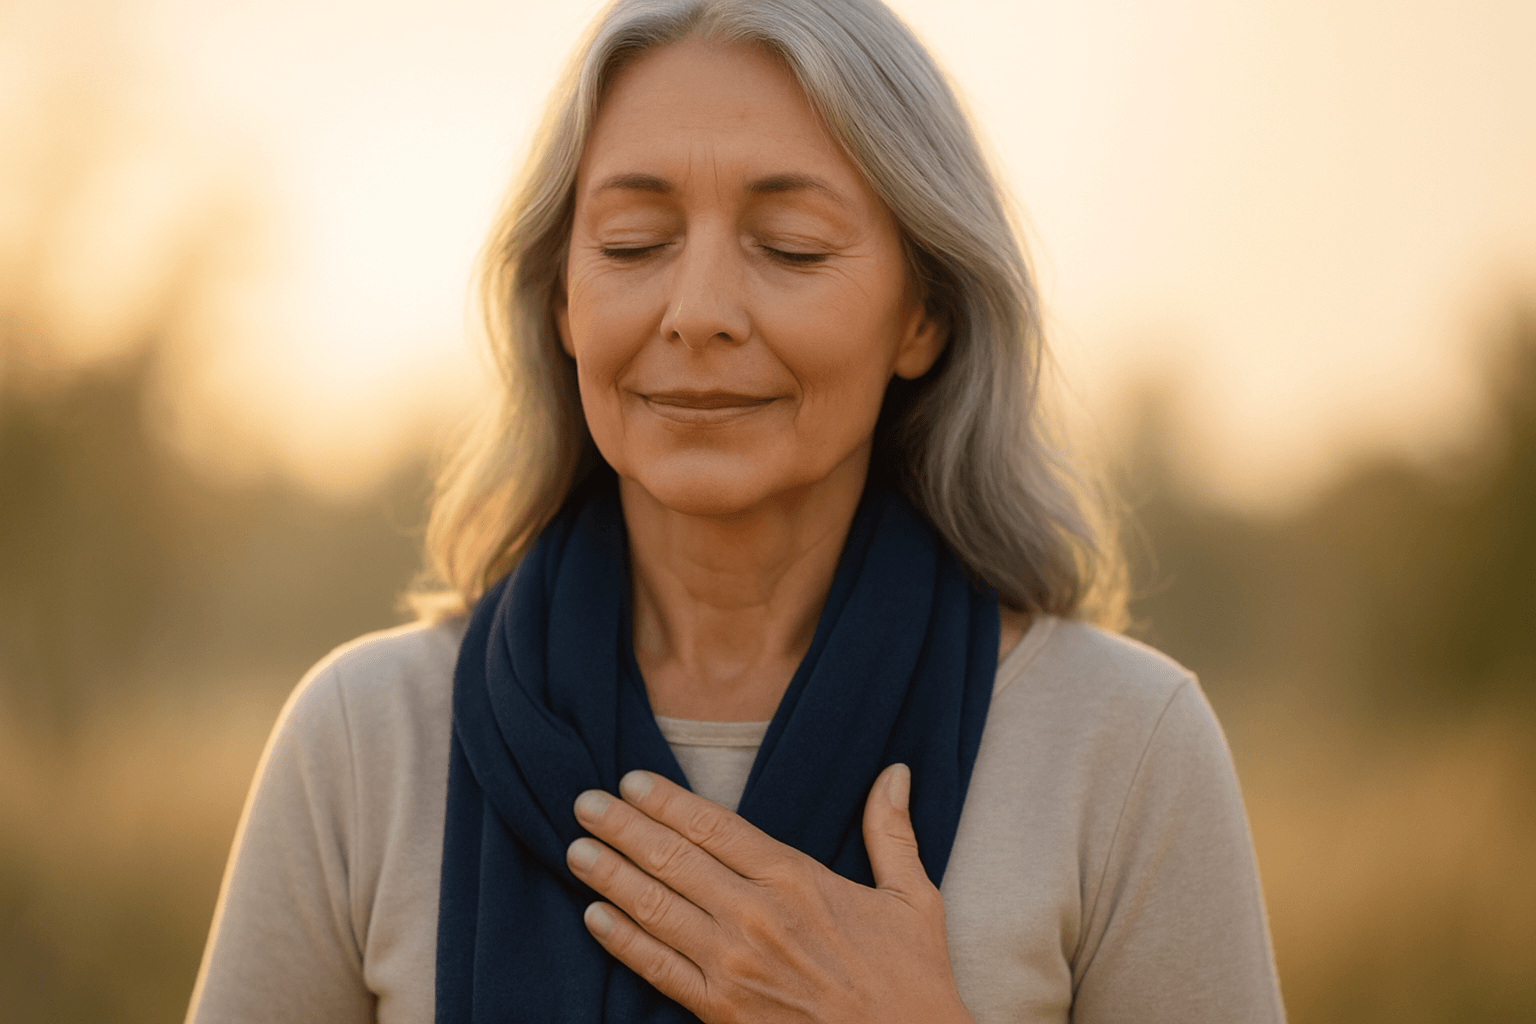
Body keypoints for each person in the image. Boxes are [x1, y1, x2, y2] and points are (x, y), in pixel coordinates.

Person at [186, 1, 1285, 1022]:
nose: (699, 311)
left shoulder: (1122, 748)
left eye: (791, 247)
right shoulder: (364, 741)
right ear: (563, 301)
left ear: (923, 316)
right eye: (630, 244)